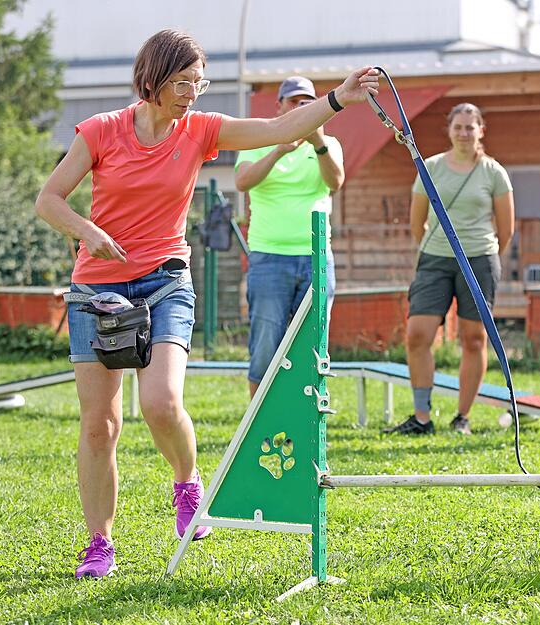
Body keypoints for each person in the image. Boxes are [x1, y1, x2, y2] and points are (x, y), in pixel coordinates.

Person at [34, 29, 378, 578]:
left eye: (199, 82)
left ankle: (187, 482)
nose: (192, 92)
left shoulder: (200, 130)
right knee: (100, 424)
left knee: (161, 403)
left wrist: (337, 98)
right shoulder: (101, 130)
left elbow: (277, 128)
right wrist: (87, 230)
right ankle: (99, 543)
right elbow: (49, 200)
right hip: (97, 289)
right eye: (182, 82)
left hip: (165, 281)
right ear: (152, 79)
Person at [385, 103, 514, 436]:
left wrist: (483, 255)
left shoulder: (493, 172)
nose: (464, 133)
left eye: (470, 127)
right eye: (458, 127)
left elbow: (506, 229)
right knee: (417, 335)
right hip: (435, 259)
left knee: (473, 339)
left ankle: (462, 417)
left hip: (479, 259)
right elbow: (417, 223)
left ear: (481, 131)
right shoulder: (430, 167)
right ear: (449, 130)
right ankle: (421, 416)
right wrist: (438, 248)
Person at [234, 76, 343, 401]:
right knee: (266, 343)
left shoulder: (328, 142)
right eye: (294, 101)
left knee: (313, 343)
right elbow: (242, 181)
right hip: (269, 257)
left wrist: (318, 144)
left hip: (316, 258)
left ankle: (305, 416)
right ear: (279, 106)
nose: (301, 106)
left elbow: (335, 182)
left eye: (307, 102)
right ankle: (258, 418)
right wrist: (279, 150)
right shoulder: (259, 139)